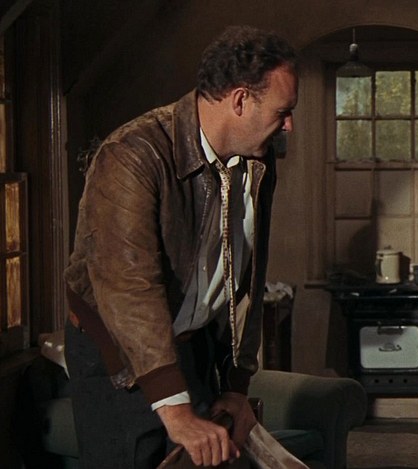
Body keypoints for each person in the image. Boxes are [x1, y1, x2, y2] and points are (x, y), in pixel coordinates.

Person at [63, 25, 298, 468]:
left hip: (191, 343)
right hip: (118, 350)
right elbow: (128, 287)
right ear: (240, 100)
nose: (289, 125)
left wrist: (236, 383)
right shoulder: (132, 154)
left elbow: (248, 276)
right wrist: (173, 408)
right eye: (283, 111)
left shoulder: (259, 159)